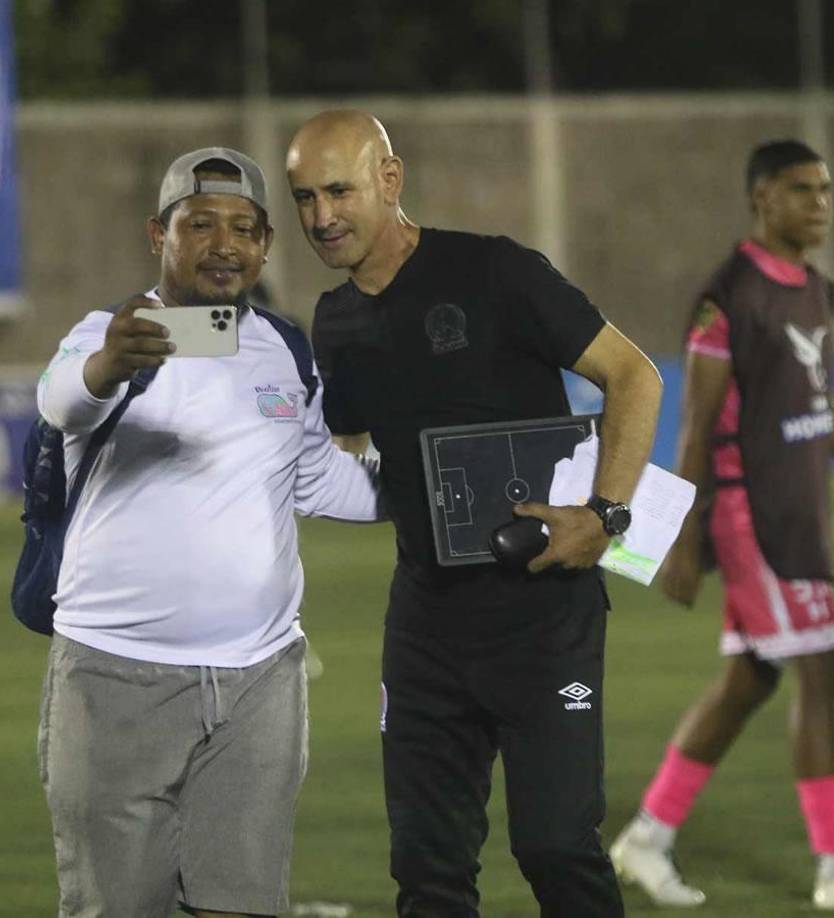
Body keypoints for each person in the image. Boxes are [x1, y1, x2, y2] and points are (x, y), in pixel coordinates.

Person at [285, 110, 664, 917]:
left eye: (339, 190)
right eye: (304, 198)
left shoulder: (496, 273)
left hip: (542, 615)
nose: (320, 217)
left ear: (390, 180)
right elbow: (352, 445)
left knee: (556, 847)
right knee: (427, 870)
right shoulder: (337, 322)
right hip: (425, 627)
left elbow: (634, 377)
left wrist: (607, 513)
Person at [35, 146, 381, 918]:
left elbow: (317, 477)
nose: (224, 244)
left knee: (242, 905)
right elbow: (62, 403)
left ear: (264, 246)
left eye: (244, 229)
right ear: (157, 235)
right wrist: (108, 365)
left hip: (260, 679)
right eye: (200, 224)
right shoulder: (107, 332)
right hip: (116, 675)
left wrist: (432, 485)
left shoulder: (285, 348)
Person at [609, 140, 834, 911]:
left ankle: (647, 838)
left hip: (797, 509)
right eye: (800, 190)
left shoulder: (817, 290)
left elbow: (816, 407)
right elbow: (695, 424)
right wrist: (681, 537)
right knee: (822, 665)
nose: (819, 203)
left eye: (825, 189)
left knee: (751, 679)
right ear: (761, 199)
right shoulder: (732, 296)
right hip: (751, 515)